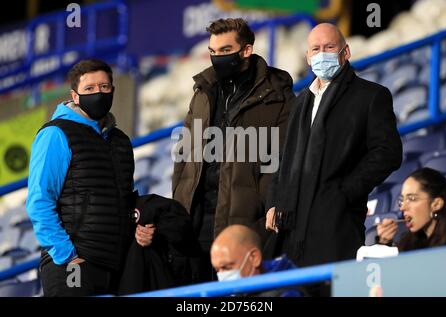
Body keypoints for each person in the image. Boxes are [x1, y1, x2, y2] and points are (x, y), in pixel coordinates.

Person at [265, 23, 403, 267]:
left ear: (346, 52)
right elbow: (285, 158)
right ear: (307, 58)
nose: (322, 54)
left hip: (337, 225)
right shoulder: (299, 103)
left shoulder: (371, 96)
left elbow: (388, 152)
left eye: (329, 47)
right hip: (291, 225)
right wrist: (274, 201)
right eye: (315, 49)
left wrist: (343, 192)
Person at [172, 18, 295, 282]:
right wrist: (179, 202)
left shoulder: (277, 95)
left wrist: (259, 211)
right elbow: (184, 153)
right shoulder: (203, 91)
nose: (217, 58)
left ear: (246, 50)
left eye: (225, 51)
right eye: (212, 52)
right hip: (196, 221)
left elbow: (283, 159)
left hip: (244, 222)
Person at [26, 59, 153, 296]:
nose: (98, 93)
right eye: (89, 88)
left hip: (117, 264)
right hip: (72, 265)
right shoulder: (55, 134)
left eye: (104, 87)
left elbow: (123, 199)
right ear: (75, 96)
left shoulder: (121, 141)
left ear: (113, 90)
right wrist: (68, 256)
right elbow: (39, 201)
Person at [210, 224, 303, 297]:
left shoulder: (287, 291)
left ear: (254, 258)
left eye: (226, 267)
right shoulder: (236, 292)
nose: (222, 276)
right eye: (217, 270)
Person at [377, 167, 446, 251]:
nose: (402, 207)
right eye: (402, 200)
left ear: (436, 204)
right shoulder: (407, 243)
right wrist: (384, 243)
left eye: (411, 199)